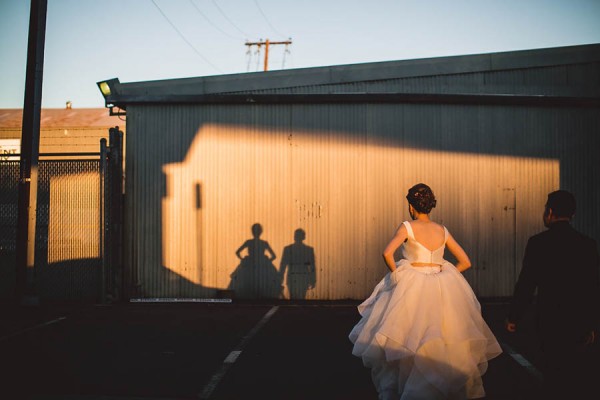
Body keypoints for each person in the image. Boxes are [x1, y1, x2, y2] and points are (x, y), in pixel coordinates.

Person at [349, 183, 501, 400]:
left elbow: (387, 253)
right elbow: (465, 262)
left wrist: (397, 273)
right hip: (442, 286)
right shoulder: (443, 230)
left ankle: (410, 387)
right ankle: (441, 384)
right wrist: (444, 275)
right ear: (430, 206)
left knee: (409, 336)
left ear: (411, 206)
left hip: (413, 286)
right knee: (444, 336)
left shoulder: (407, 227)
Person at [506, 190, 600, 399]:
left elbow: (526, 284)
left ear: (549, 212)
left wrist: (514, 316)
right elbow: (593, 288)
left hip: (549, 321)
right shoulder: (588, 245)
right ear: (572, 214)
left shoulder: (538, 243)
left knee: (552, 375)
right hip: (578, 321)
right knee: (576, 375)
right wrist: (592, 324)